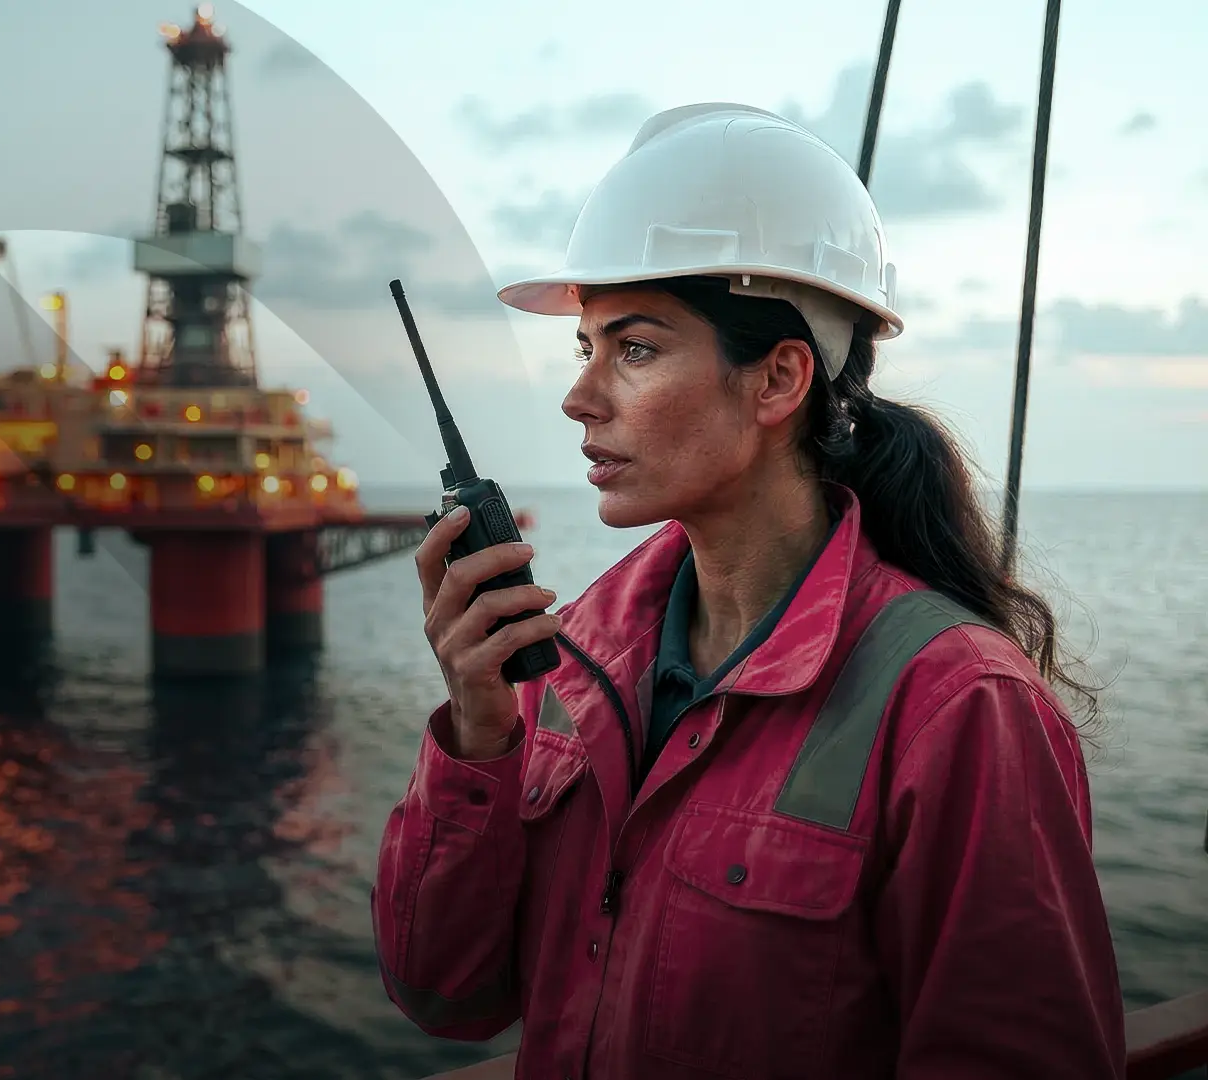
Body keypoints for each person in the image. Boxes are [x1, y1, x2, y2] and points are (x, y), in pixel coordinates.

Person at [372, 102, 1126, 1079]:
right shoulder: (573, 658)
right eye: (585, 348)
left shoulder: (960, 708)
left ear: (777, 381)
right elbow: (447, 995)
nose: (580, 396)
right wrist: (479, 740)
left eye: (634, 349)